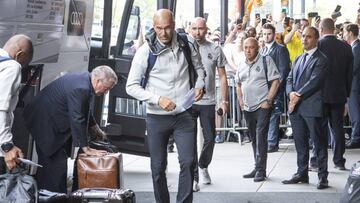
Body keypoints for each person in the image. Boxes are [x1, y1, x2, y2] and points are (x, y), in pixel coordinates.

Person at [126, 9, 205, 203]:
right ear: (154, 27)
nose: (163, 33)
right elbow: (131, 86)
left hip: (183, 114)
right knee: (158, 167)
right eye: (159, 28)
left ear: (173, 25)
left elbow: (199, 68)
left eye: (167, 28)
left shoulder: (187, 43)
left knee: (187, 162)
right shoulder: (145, 52)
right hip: (156, 116)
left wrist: (200, 85)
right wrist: (157, 99)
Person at [23, 65, 117, 193]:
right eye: (106, 88)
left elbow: (84, 108)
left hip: (49, 120)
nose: (105, 92)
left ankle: (50, 195)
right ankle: (53, 196)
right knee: (55, 169)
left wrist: (94, 127)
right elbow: (77, 118)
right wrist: (86, 148)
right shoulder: (81, 87)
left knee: (51, 168)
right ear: (98, 81)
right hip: (45, 123)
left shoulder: (85, 81)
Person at [282, 26, 329, 189]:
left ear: (316, 39)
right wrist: (290, 94)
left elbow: (315, 82)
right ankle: (302, 173)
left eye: (308, 37)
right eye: (303, 37)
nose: (304, 40)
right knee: (300, 143)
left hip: (312, 108)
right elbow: (289, 79)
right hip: (296, 109)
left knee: (319, 143)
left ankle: (323, 176)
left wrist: (297, 95)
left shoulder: (321, 59)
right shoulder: (298, 59)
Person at [189, 17, 228, 191]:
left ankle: (203, 165)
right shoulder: (185, 48)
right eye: (194, 28)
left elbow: (223, 76)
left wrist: (224, 100)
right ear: (190, 29)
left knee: (211, 138)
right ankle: (194, 177)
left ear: (206, 30)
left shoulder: (215, 48)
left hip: (208, 100)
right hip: (189, 100)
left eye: (201, 29)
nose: (197, 32)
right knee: (188, 140)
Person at [236, 37, 280, 182]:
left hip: (262, 106)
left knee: (261, 137)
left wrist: (268, 100)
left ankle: (261, 170)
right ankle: (257, 166)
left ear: (258, 48)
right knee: (254, 138)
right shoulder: (241, 63)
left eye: (251, 47)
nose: (248, 50)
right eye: (246, 47)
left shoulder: (266, 60)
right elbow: (238, 83)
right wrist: (241, 101)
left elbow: (276, 81)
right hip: (247, 107)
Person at [317, 18, 353, 170]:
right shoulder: (345, 47)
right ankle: (339, 161)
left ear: (321, 29)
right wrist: (347, 96)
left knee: (319, 128)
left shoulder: (317, 45)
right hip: (339, 94)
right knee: (337, 128)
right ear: (333, 29)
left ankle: (318, 160)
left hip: (319, 93)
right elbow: (349, 75)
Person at [0, 34, 33, 174]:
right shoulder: (12, 66)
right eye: (24, 64)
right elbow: (1, 108)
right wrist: (6, 146)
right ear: (19, 54)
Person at [261, 23, 290, 153]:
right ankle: (268, 141)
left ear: (274, 34)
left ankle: (272, 143)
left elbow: (284, 71)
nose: (266, 36)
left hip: (276, 87)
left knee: (273, 115)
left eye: (269, 34)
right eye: (264, 34)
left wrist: (277, 88)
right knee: (265, 116)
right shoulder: (261, 50)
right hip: (263, 89)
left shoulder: (280, 49)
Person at [343, 23, 360, 148]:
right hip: (353, 85)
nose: (343, 34)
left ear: (350, 33)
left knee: (355, 113)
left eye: (344, 32)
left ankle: (356, 138)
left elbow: (353, 68)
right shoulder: (354, 47)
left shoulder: (357, 48)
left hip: (355, 85)